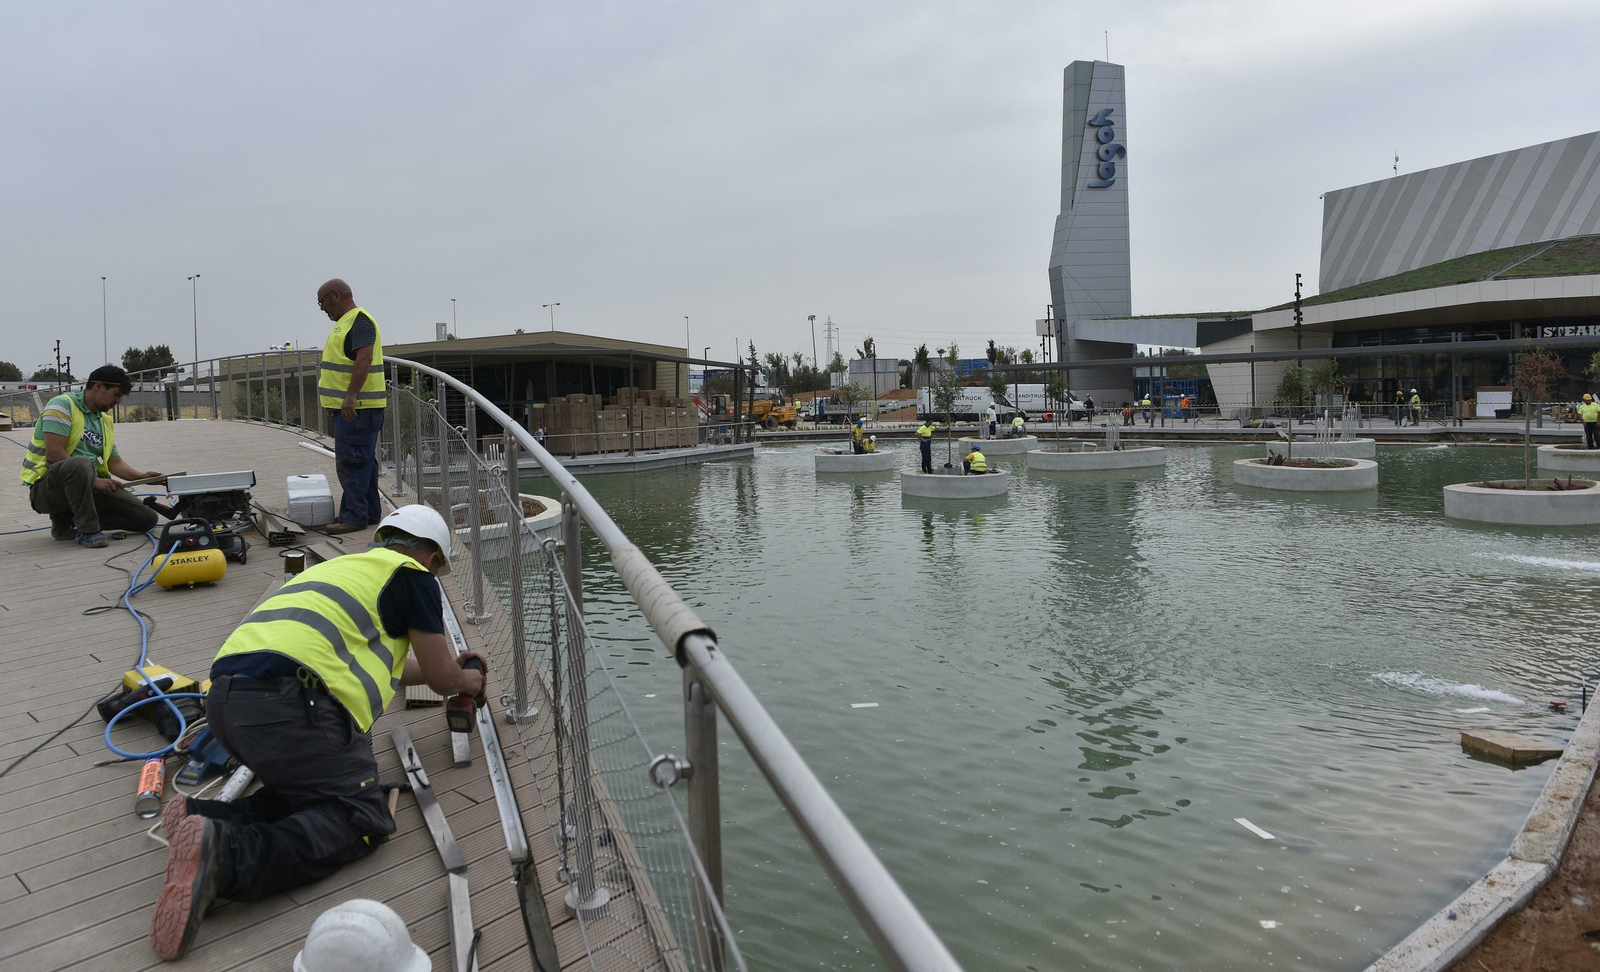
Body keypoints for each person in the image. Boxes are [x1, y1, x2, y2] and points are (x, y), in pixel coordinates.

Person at [149, 505, 489, 960]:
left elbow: (397, 666)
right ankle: (225, 857)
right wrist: (468, 680)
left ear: (385, 538)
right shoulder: (415, 577)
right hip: (293, 707)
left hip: (228, 703)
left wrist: (443, 671)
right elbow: (444, 678)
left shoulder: (344, 570)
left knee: (314, 790)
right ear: (431, 558)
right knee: (360, 817)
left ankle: (204, 817)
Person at [19, 365, 160, 547]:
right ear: (98, 386)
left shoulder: (104, 420)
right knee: (80, 463)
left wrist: (141, 477)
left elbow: (114, 463)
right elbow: (54, 453)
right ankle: (88, 530)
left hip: (89, 486)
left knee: (146, 519)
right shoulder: (61, 405)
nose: (117, 401)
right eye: (116, 394)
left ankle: (70, 520)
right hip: (47, 489)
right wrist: (94, 481)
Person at [316, 278, 387, 534]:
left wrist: (350, 397)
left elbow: (364, 358)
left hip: (359, 408)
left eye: (322, 302)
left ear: (335, 295)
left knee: (352, 461)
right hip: (356, 408)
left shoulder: (359, 321)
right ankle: (369, 512)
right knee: (363, 461)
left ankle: (353, 516)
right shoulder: (346, 323)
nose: (322, 309)